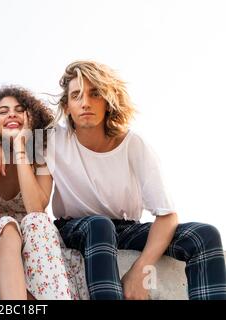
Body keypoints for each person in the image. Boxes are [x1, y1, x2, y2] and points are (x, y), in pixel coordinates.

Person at [46, 60, 226, 300]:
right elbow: (8, 131)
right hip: (75, 228)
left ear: (108, 102)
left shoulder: (133, 145)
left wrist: (141, 269)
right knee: (100, 225)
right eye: (76, 95)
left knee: (204, 235)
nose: (85, 102)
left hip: (125, 228)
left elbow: (167, 215)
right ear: (67, 107)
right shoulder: (52, 138)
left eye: (95, 93)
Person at [0, 86, 89, 300]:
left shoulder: (41, 157)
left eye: (19, 109)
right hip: (1, 240)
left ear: (31, 118)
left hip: (39, 243)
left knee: (36, 221)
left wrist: (20, 149)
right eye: (3, 111)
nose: (11, 114)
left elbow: (36, 208)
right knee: (7, 225)